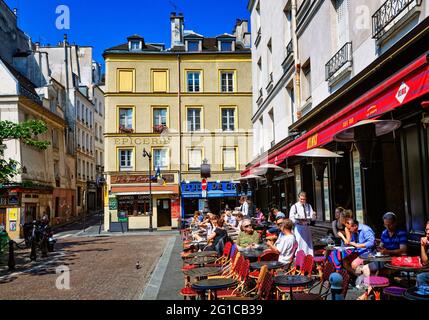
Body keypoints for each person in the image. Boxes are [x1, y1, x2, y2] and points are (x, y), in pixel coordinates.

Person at [289, 192, 317, 256]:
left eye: (304, 199)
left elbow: (312, 219)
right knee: (299, 243)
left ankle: (309, 258)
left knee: (308, 244)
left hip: (306, 227)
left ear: (306, 198)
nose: (302, 201)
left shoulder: (309, 206)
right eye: (301, 199)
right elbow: (291, 218)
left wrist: (314, 215)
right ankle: (299, 258)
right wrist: (298, 221)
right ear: (298, 198)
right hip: (299, 227)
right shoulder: (294, 206)